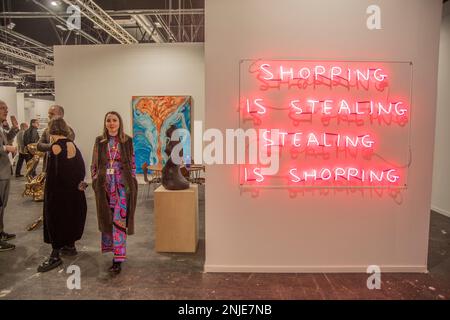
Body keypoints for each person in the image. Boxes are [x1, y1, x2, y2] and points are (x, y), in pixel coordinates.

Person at [37, 118, 87, 272]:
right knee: (70, 216)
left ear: (51, 130)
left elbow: (54, 175)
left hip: (58, 194)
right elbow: (80, 169)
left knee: (56, 220)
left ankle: (55, 254)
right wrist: (78, 183)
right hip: (74, 192)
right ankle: (70, 245)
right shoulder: (72, 145)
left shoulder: (55, 148)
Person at [91, 111, 138, 274]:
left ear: (120, 122)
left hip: (121, 187)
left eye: (114, 120)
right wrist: (96, 180)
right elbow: (94, 164)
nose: (111, 123)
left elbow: (132, 163)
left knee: (119, 221)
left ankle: (118, 259)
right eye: (108, 120)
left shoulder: (127, 141)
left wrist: (131, 182)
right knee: (107, 219)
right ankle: (112, 251)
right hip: (105, 185)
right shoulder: (100, 141)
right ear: (105, 123)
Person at [0, 100, 19, 252]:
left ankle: (1, 233)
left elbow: (7, 138)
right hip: (0, 173)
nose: (6, 111)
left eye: (6, 108)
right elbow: (4, 145)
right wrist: (7, 148)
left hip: (4, 173)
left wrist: (15, 128)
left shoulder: (1, 127)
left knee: (2, 205)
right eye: (3, 108)